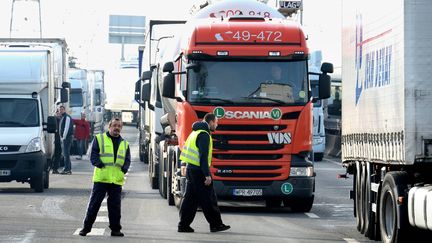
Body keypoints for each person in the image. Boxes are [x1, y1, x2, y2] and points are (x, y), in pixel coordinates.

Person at [178, 113, 230, 233]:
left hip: (192, 169)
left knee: (190, 199)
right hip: (199, 171)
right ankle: (216, 225)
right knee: (209, 198)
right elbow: (203, 156)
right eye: (216, 123)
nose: (217, 125)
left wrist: (184, 165)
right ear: (211, 122)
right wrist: (207, 175)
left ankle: (183, 225)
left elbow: (188, 151)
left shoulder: (195, 132)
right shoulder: (204, 135)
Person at [79, 117, 131, 237]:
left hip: (116, 180)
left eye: (119, 126)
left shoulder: (124, 144)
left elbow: (127, 159)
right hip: (101, 179)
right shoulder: (99, 138)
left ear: (121, 128)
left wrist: (124, 169)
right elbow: (93, 155)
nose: (117, 128)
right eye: (115, 125)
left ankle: (115, 230)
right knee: (94, 205)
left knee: (115, 208)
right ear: (110, 126)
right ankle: (86, 228)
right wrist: (99, 164)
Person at [59, 105, 74, 174]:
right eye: (60, 109)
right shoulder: (62, 117)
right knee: (66, 154)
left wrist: (63, 137)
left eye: (62, 109)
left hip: (67, 138)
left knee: (66, 154)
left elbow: (66, 128)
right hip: (65, 138)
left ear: (64, 110)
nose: (61, 110)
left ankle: (67, 169)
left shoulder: (67, 117)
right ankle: (68, 169)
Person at [52, 108, 63, 174]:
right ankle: (55, 168)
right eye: (58, 112)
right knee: (57, 155)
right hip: (56, 140)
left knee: (58, 155)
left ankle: (55, 168)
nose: (59, 113)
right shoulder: (56, 120)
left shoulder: (59, 119)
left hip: (58, 140)